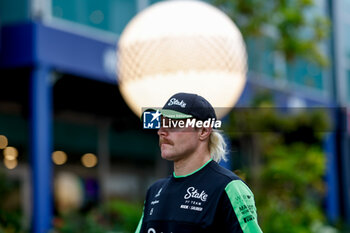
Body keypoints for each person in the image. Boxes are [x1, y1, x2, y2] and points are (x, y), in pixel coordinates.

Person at [136, 92, 263, 233]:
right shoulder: (154, 191)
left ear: (203, 131)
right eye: (161, 123)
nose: (161, 131)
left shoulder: (230, 188)